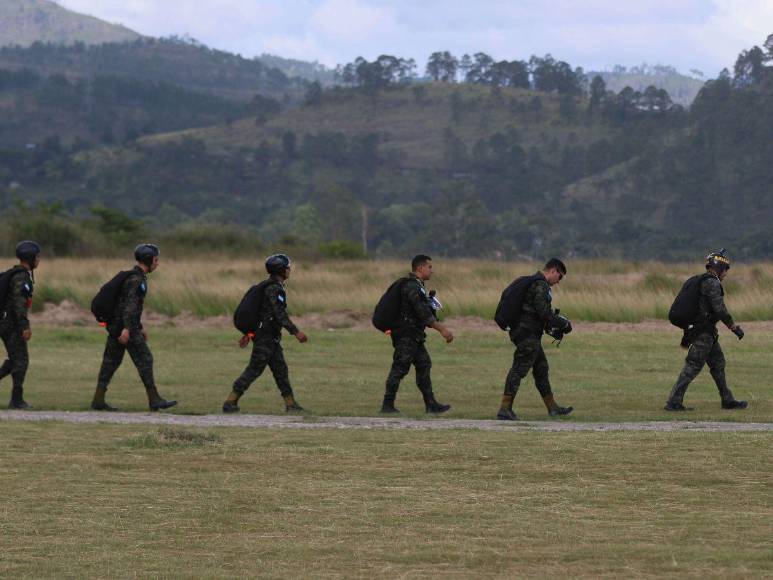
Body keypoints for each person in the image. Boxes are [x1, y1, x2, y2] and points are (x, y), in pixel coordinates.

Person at [91, 244, 177, 412]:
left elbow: (127, 306)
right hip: (125, 329)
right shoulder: (137, 280)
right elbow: (130, 308)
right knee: (145, 359)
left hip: (117, 327)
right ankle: (154, 399)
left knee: (110, 362)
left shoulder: (132, 277)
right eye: (156, 260)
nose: (157, 263)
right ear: (149, 260)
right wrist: (129, 329)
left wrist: (138, 326)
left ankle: (98, 399)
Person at [223, 254, 308, 413]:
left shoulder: (271, 286)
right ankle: (230, 401)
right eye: (287, 267)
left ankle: (291, 404)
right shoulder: (274, 288)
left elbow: (264, 313)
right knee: (253, 370)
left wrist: (250, 333)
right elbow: (279, 314)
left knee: (281, 370)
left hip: (270, 338)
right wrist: (296, 332)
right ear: (281, 270)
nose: (290, 270)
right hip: (266, 338)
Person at [665, 250, 747, 411]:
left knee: (718, 363)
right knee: (693, 366)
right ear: (719, 268)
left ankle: (727, 399)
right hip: (703, 333)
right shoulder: (712, 283)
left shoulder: (699, 280)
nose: (726, 273)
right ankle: (673, 402)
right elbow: (720, 309)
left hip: (705, 332)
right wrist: (733, 327)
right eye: (726, 269)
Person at [497, 258, 573, 421]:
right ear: (553, 271)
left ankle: (552, 407)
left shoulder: (535, 283)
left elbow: (536, 313)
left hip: (527, 332)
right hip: (527, 334)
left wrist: (549, 325)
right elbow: (544, 313)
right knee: (519, 369)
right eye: (560, 277)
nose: (558, 282)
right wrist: (564, 324)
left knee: (541, 368)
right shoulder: (541, 285)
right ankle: (504, 409)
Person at [380, 254, 454, 414]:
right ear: (420, 268)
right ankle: (387, 405)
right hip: (406, 336)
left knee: (424, 364)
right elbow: (423, 314)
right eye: (429, 267)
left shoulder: (417, 285)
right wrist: (443, 329)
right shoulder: (412, 287)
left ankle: (431, 404)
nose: (431, 271)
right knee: (399, 369)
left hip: (415, 336)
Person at [0, 241, 41, 409]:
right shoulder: (21, 277)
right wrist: (25, 326)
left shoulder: (17, 274)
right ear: (30, 258)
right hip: (11, 325)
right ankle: (16, 400)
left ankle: (16, 399)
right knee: (21, 361)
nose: (38, 260)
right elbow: (19, 304)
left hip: (6, 322)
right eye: (37, 257)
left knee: (15, 360)